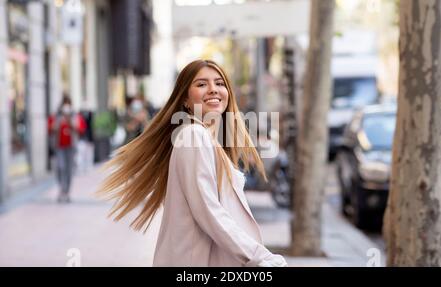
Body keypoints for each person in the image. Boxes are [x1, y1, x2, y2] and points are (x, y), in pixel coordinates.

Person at [97, 60, 287, 267]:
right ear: (186, 100)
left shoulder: (205, 138)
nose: (213, 89)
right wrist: (260, 257)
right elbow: (208, 211)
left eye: (219, 83)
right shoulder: (194, 135)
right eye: (202, 84)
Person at [48, 96, 86, 203]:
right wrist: (59, 122)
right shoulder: (56, 116)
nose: (66, 106)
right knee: (60, 167)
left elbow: (81, 129)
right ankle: (61, 188)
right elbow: (50, 128)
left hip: (71, 146)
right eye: (64, 103)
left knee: (69, 169)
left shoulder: (75, 116)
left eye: (68, 104)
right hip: (59, 146)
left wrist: (70, 122)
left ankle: (67, 191)